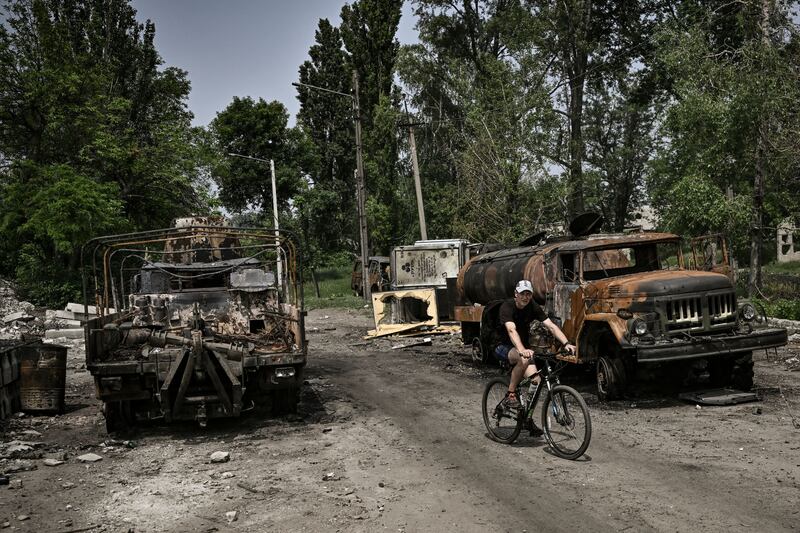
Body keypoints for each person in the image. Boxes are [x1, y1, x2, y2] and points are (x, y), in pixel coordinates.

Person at [494, 280, 576, 410]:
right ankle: (510, 395)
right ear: (516, 294)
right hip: (502, 345)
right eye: (522, 293)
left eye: (528, 294)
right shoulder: (507, 306)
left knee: (536, 381)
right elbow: (511, 330)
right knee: (523, 359)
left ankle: (527, 414)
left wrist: (566, 343)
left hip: (522, 348)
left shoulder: (532, 306)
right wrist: (522, 350)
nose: (525, 297)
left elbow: (551, 326)